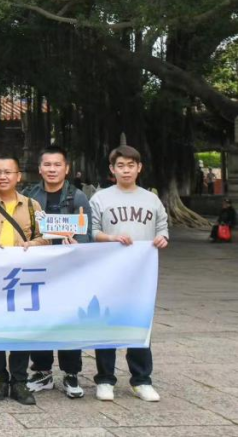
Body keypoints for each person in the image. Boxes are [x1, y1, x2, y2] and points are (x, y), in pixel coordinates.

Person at [90, 145, 169, 402]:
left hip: (140, 273)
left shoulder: (151, 199)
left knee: (139, 322)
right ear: (112, 169)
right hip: (108, 271)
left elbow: (162, 227)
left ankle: (142, 380)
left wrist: (162, 238)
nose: (126, 170)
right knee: (106, 322)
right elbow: (91, 231)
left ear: (139, 168)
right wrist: (111, 238)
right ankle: (105, 379)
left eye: (131, 165)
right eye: (120, 166)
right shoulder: (100, 198)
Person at [0, 154, 48, 406]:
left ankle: (19, 381)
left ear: (18, 176)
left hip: (22, 279)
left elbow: (45, 237)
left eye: (8, 172)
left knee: (20, 328)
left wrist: (33, 244)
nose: (2, 177)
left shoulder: (32, 206)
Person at [22, 145, 93, 399]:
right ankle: (42, 371)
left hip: (68, 270)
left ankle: (71, 373)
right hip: (38, 269)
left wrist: (76, 243)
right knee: (39, 320)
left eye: (57, 165)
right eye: (47, 165)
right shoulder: (29, 196)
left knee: (68, 321)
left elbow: (87, 234)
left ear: (67, 168)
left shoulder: (78, 197)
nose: (52, 169)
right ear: (40, 168)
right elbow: (24, 228)